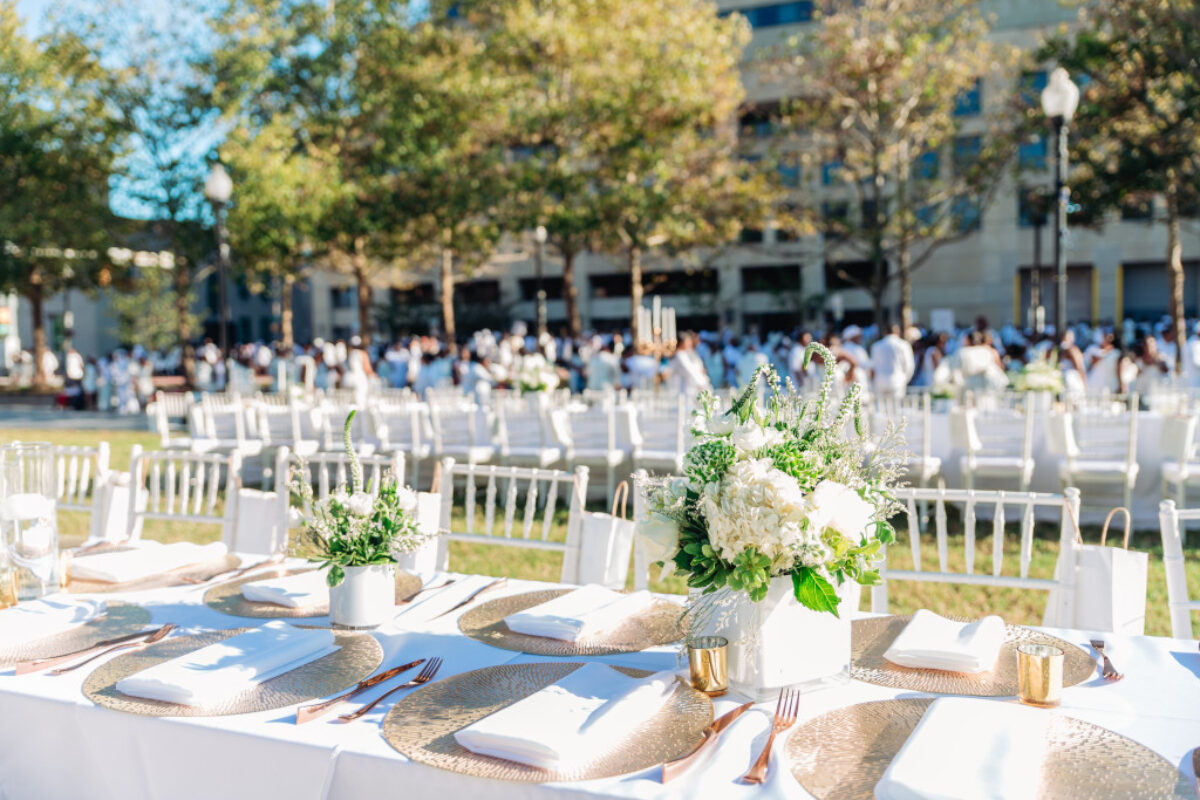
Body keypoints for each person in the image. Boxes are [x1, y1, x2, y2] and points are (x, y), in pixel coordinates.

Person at [870, 324, 916, 402]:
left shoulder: (876, 346)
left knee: (881, 407)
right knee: (896, 408)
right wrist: (905, 379)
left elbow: (873, 365)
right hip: (897, 379)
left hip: (880, 380)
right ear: (898, 332)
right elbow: (909, 365)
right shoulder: (903, 345)